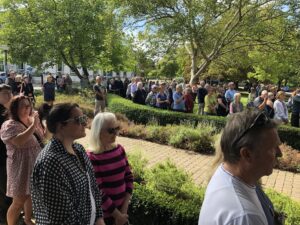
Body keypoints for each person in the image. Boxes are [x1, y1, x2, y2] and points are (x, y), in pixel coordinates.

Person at [198, 109, 283, 225]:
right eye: (273, 148)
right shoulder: (246, 217)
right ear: (247, 154)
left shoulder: (225, 172)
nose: (280, 153)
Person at [31, 103, 105, 225]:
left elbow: (93, 188)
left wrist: (99, 217)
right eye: (79, 120)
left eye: (84, 118)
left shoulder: (79, 149)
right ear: (61, 126)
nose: (85, 123)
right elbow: (62, 218)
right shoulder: (50, 163)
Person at [0, 95, 45, 225]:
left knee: (30, 194)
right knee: (18, 200)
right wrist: (33, 126)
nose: (27, 108)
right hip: (19, 167)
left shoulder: (30, 121)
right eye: (23, 106)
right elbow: (19, 141)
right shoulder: (9, 124)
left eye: (29, 105)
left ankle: (27, 220)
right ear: (15, 109)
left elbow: (42, 138)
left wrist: (40, 123)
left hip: (33, 163)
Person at [87, 112, 133, 225]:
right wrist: (117, 215)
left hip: (122, 212)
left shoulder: (119, 149)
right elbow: (98, 191)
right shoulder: (92, 157)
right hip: (104, 218)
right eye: (110, 130)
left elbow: (129, 177)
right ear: (98, 132)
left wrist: (123, 211)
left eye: (116, 128)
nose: (115, 133)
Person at [0, 85, 12, 223]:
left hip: (9, 155)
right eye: (4, 93)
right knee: (4, 187)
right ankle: (4, 216)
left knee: (8, 186)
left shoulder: (9, 110)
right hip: (2, 156)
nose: (8, 95)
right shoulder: (3, 113)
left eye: (10, 92)